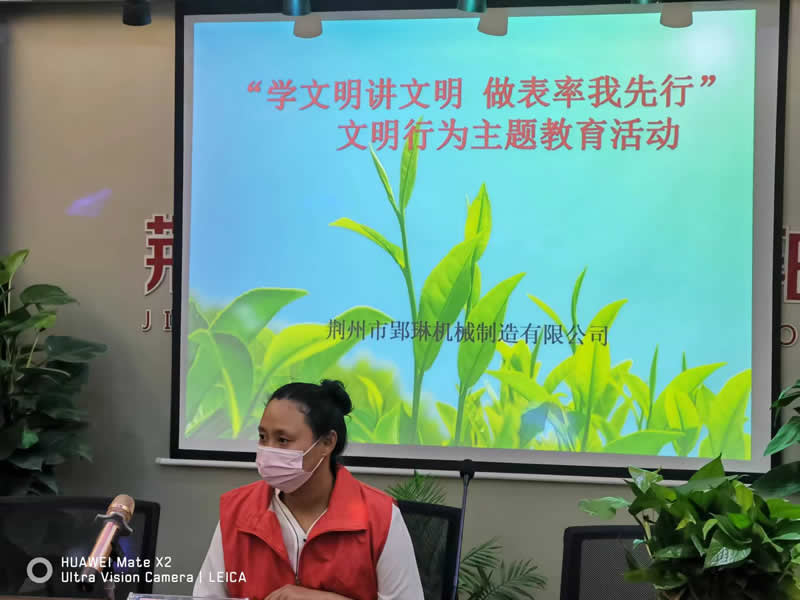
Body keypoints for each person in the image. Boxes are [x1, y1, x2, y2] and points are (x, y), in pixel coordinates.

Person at [193, 379, 424, 600]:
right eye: (263, 437)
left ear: (327, 442)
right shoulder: (237, 512)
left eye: (283, 440)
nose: (268, 450)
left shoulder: (380, 518)